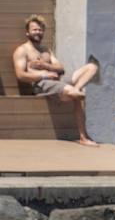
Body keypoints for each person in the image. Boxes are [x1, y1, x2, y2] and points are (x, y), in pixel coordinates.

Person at [12, 15, 100, 146]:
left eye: (40, 30)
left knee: (92, 67)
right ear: (27, 32)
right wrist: (44, 75)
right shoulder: (22, 50)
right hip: (42, 84)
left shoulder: (46, 50)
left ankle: (75, 89)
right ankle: (83, 137)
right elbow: (21, 75)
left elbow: (61, 69)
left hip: (58, 79)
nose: (38, 32)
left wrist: (45, 66)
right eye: (35, 29)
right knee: (79, 95)